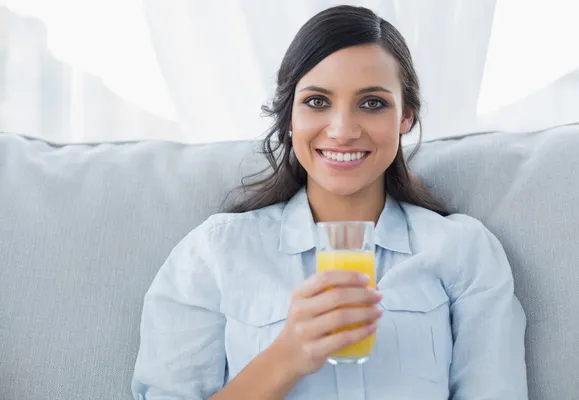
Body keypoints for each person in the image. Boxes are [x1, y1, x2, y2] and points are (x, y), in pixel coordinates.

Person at [131, 5, 527, 400]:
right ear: (289, 117)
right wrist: (287, 356)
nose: (342, 131)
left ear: (406, 116)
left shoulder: (462, 251)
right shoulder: (216, 253)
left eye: (372, 103)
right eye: (317, 101)